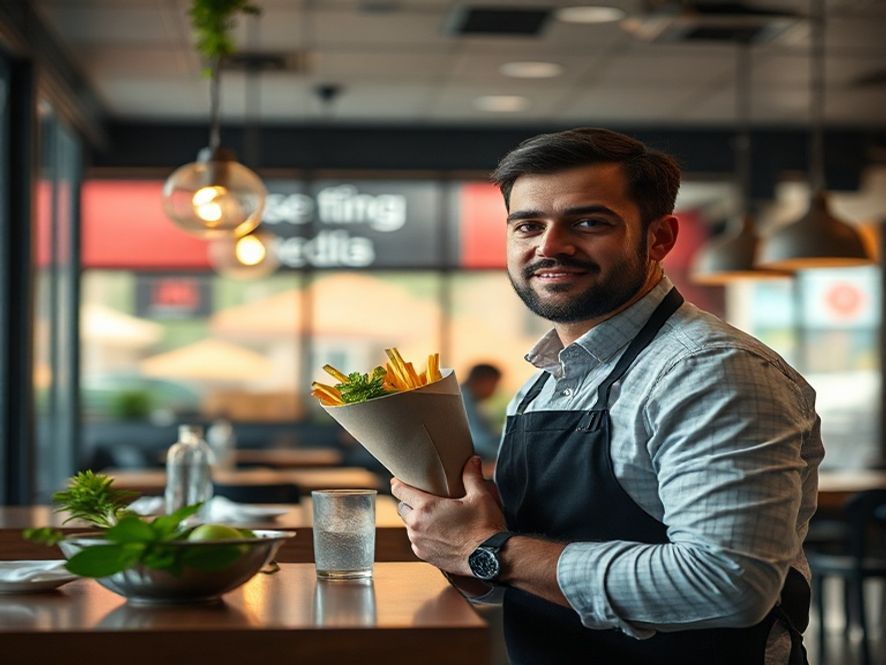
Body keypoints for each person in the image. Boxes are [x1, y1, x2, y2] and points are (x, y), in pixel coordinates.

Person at [391, 127, 823, 665]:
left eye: (588, 222)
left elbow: (727, 584)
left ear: (659, 238)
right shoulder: (545, 379)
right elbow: (529, 572)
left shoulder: (711, 371)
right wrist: (463, 549)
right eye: (528, 225)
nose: (550, 246)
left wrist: (490, 552)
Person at [460, 363, 503, 461]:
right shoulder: (463, 400)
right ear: (483, 381)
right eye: (494, 385)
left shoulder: (467, 398)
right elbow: (480, 440)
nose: (495, 390)